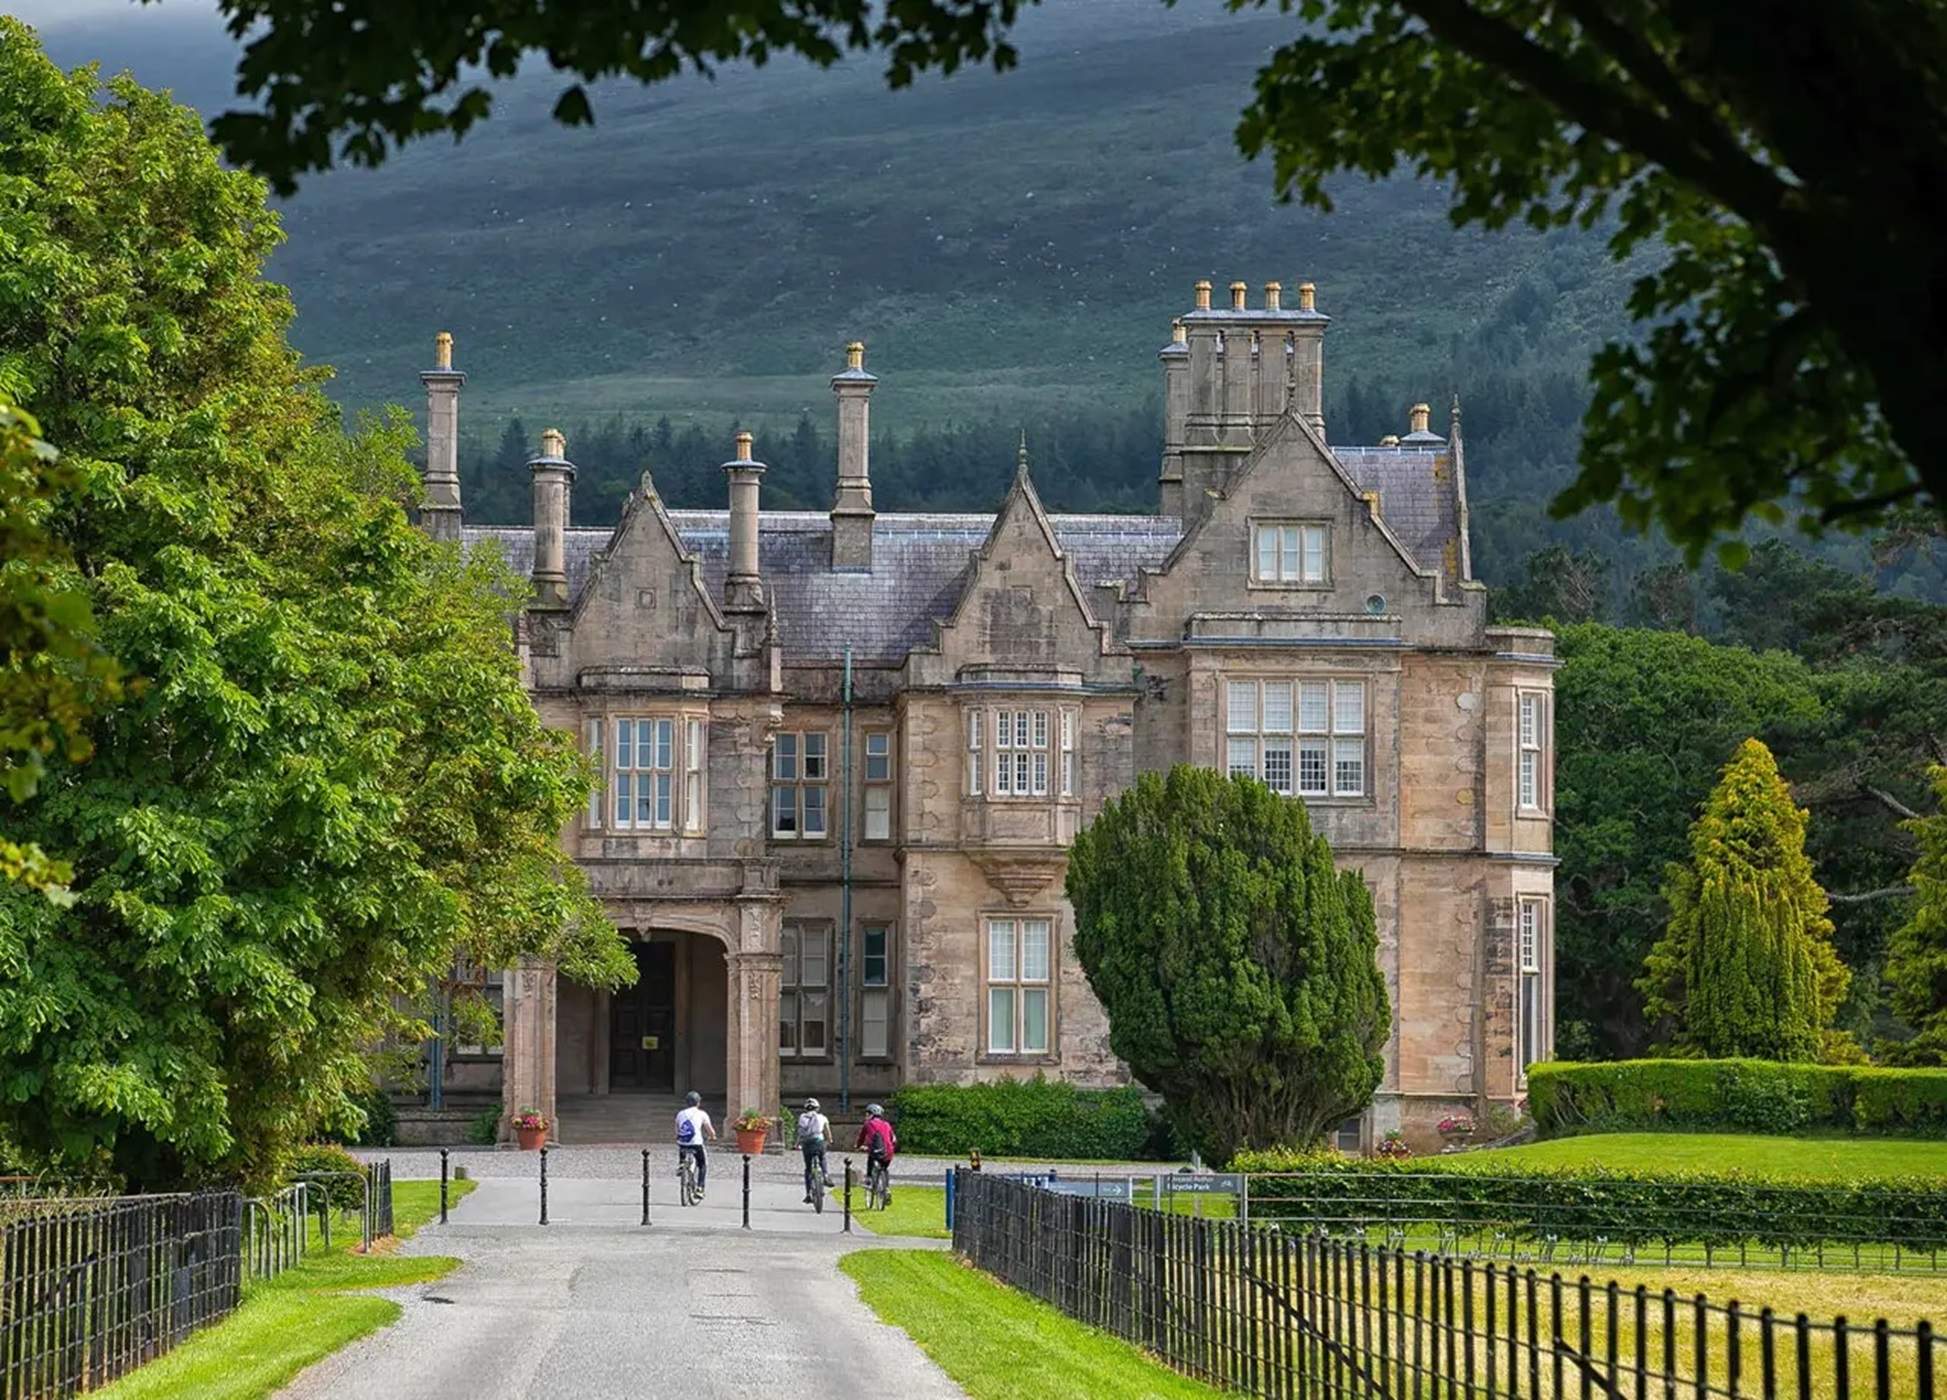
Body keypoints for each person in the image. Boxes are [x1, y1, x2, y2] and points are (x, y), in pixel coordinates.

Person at [855, 1103, 897, 1204]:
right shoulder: (887, 1124)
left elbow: (861, 1138)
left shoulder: (868, 1124)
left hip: (875, 1151)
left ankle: (869, 1179)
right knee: (884, 1168)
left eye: (867, 1113)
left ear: (871, 1114)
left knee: (871, 1159)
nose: (866, 1116)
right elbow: (894, 1139)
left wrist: (858, 1146)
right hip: (888, 1152)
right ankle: (886, 1189)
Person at [675, 1090, 715, 1196]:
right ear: (698, 1102)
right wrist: (712, 1136)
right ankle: (700, 1188)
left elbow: (678, 1129)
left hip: (682, 1142)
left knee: (682, 1145)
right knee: (702, 1164)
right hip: (696, 1143)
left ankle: (681, 1163)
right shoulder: (702, 1114)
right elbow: (709, 1129)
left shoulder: (680, 1114)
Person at [795, 1097, 831, 1203]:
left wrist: (797, 1144)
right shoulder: (822, 1117)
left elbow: (800, 1133)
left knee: (808, 1169)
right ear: (817, 1108)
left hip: (807, 1145)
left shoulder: (802, 1117)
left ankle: (808, 1194)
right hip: (819, 1142)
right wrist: (830, 1140)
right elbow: (827, 1131)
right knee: (822, 1158)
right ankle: (825, 1175)